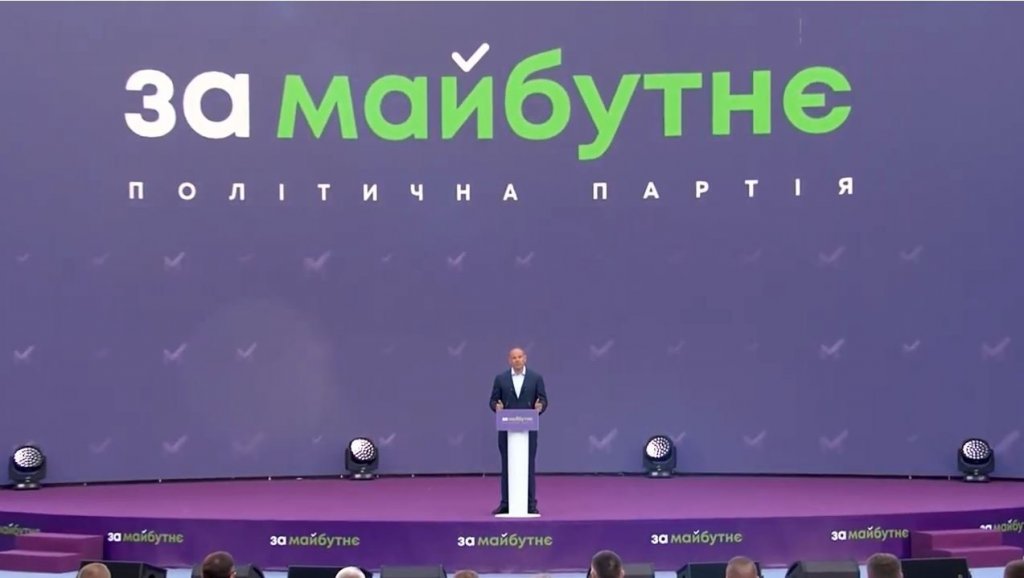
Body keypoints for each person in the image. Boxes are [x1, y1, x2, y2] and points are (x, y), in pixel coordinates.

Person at [489, 346, 547, 515]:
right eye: (514, 357)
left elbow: (543, 399)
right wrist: (496, 406)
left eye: (520, 357)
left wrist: (540, 406)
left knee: (528, 466)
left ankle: (530, 503)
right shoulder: (501, 379)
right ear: (509, 360)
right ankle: (506, 503)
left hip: (528, 430)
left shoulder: (535, 378)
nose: (517, 360)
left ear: (525, 358)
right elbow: (493, 400)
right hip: (506, 430)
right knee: (507, 465)